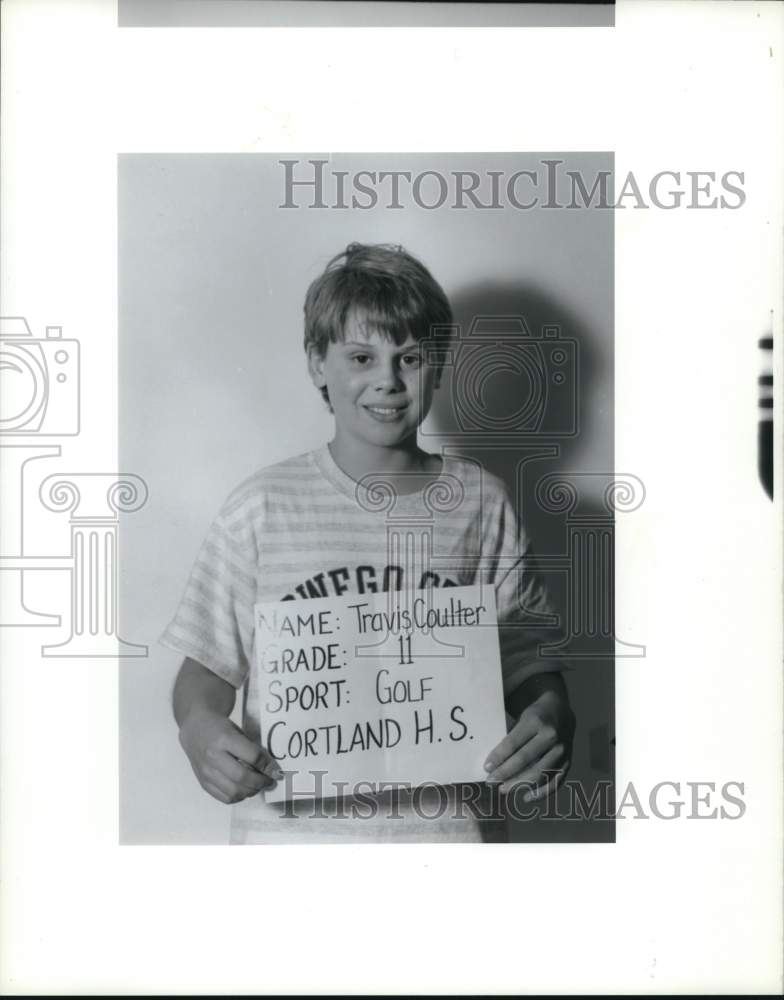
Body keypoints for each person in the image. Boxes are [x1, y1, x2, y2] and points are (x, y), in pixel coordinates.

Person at [162, 242, 575, 843]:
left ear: (439, 364)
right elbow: (203, 669)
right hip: (291, 853)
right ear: (317, 365)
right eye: (361, 356)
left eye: (409, 358)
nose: (387, 380)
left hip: (446, 848)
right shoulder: (263, 505)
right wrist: (199, 728)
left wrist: (549, 715)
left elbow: (531, 664)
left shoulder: (483, 503)